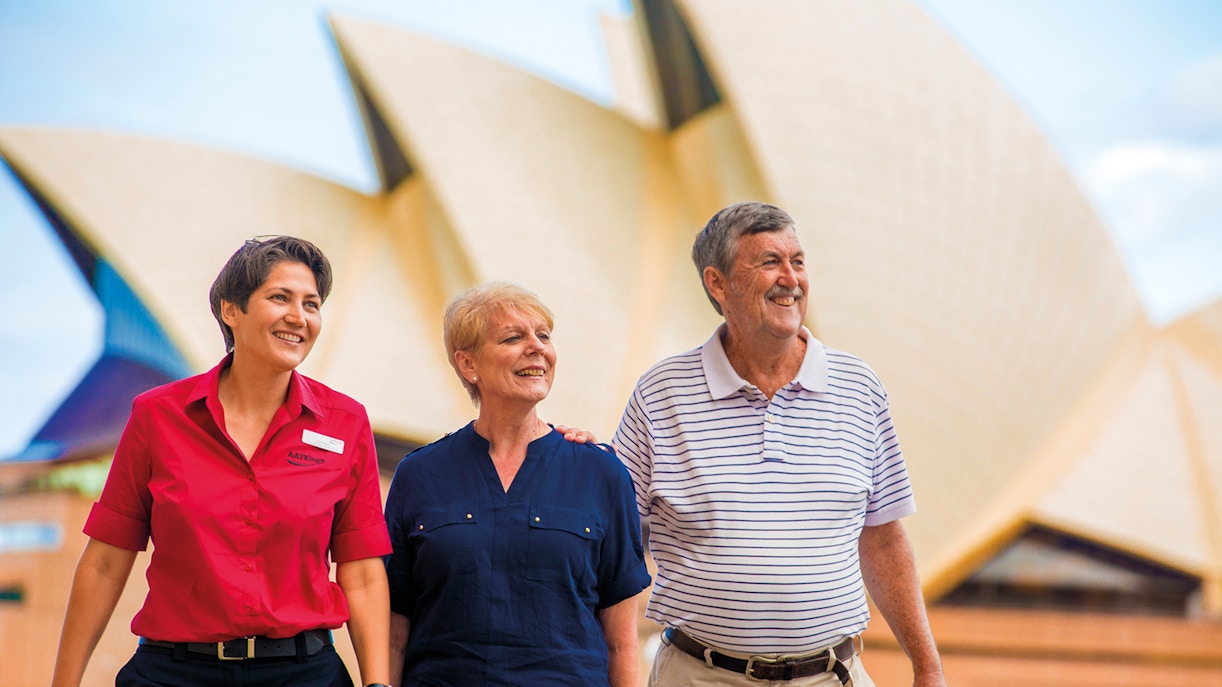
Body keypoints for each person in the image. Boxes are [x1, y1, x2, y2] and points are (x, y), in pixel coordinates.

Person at [614, 202, 947, 687]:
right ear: (718, 283)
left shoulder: (859, 387)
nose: (791, 279)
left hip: (831, 676)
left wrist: (929, 668)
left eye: (798, 261)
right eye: (770, 262)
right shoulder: (661, 393)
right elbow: (615, 541)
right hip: (698, 677)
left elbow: (884, 539)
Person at [51, 236, 393, 687]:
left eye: (311, 304)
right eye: (280, 298)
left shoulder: (345, 422)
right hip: (173, 674)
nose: (299, 317)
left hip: (302, 674)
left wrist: (378, 683)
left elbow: (363, 574)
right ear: (231, 310)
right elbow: (105, 562)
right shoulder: (157, 416)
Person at [384, 282, 652, 687]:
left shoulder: (601, 473)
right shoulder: (419, 474)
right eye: (513, 338)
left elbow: (622, 642)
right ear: (468, 364)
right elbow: (393, 633)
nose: (537, 347)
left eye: (544, 335)